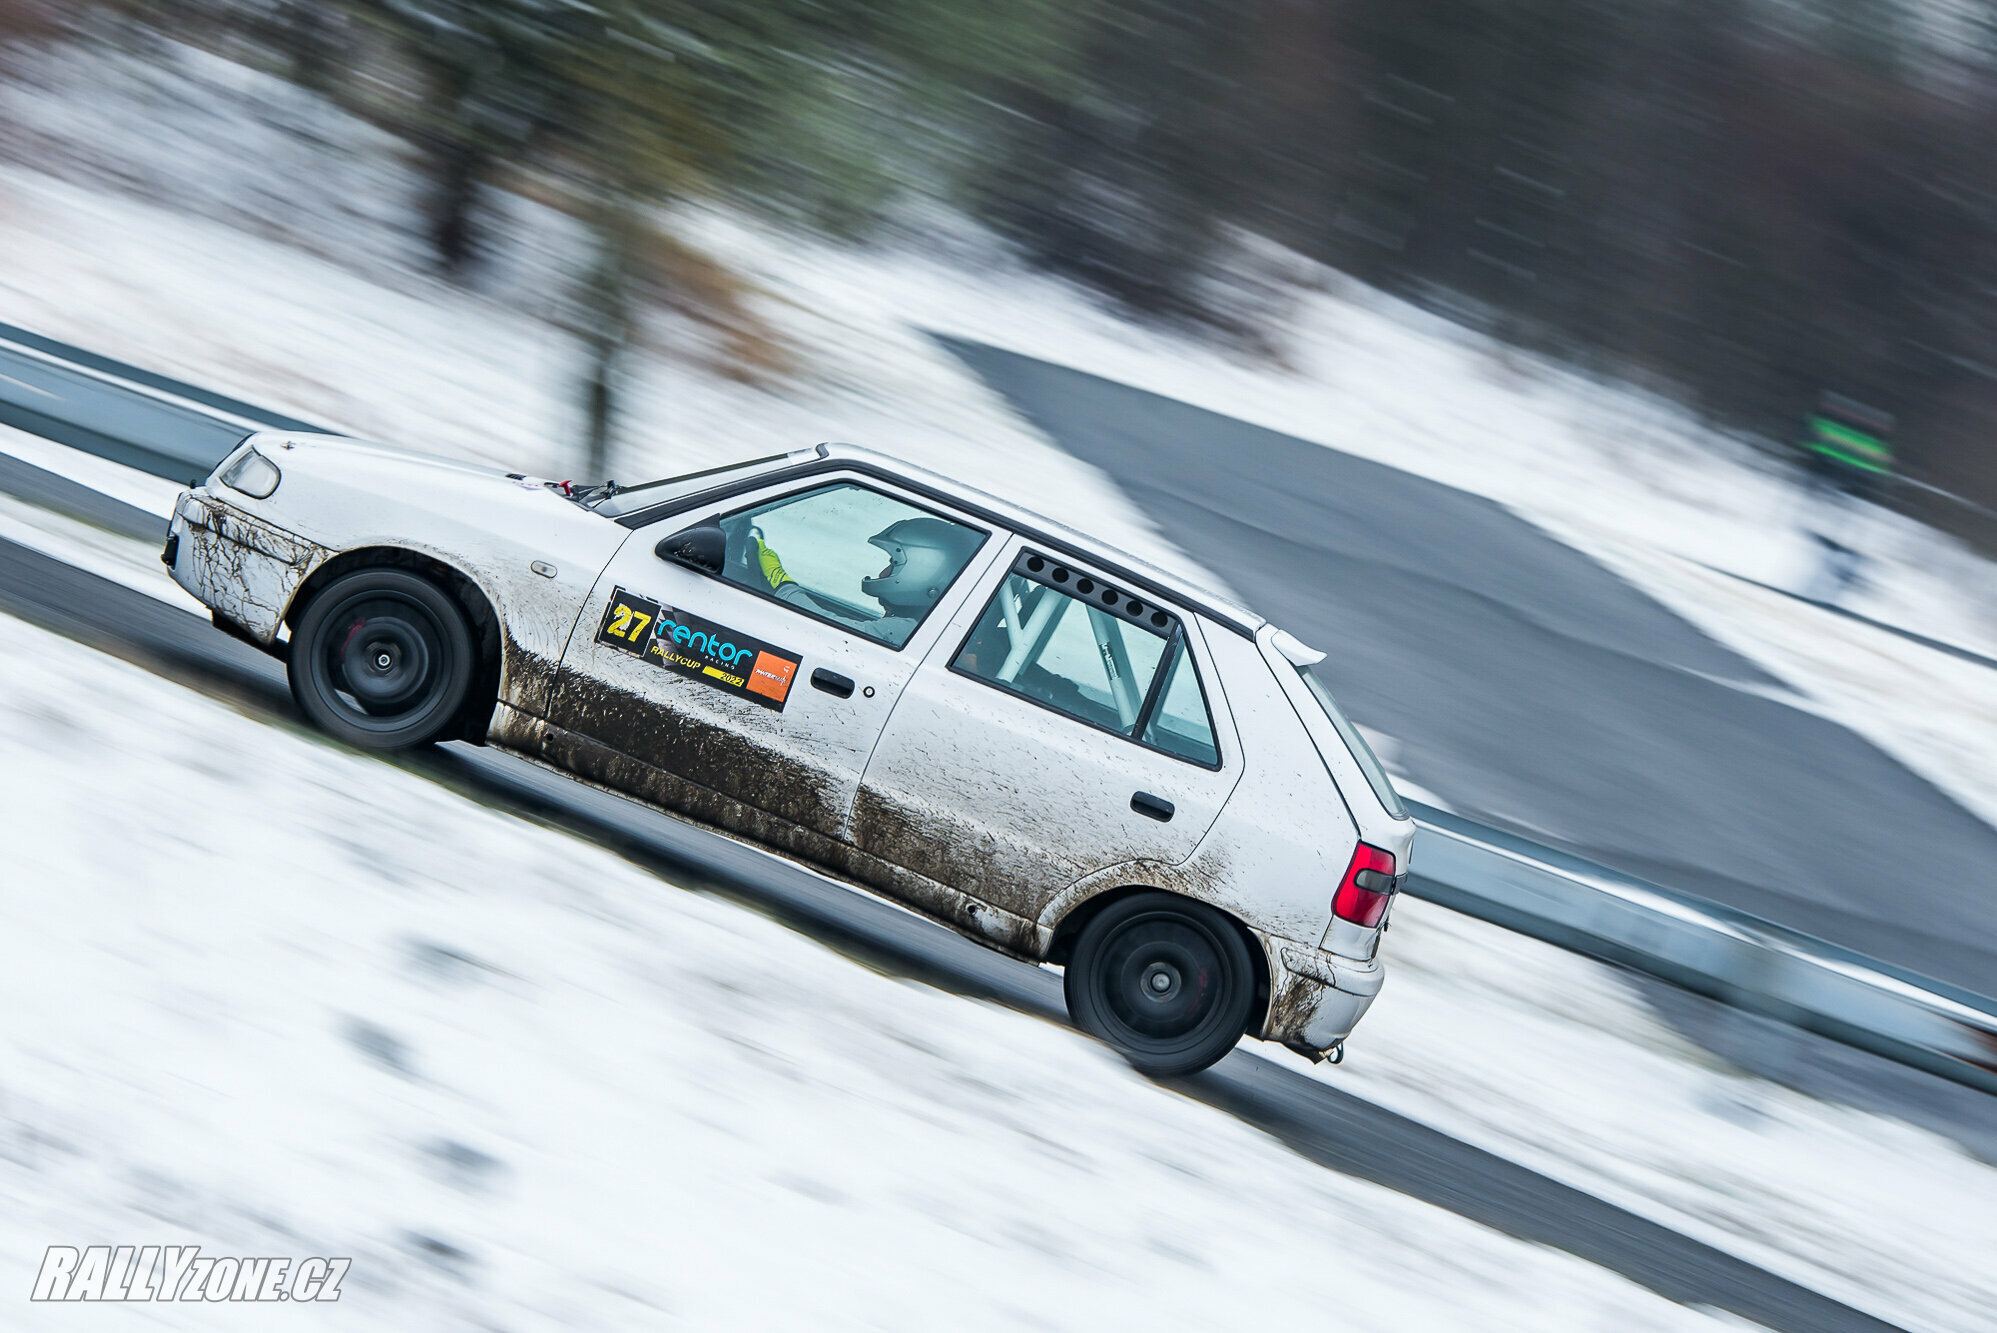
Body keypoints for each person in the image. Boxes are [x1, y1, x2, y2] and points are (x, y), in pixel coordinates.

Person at [752, 516, 982, 645]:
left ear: (925, 571)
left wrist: (781, 582)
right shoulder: (924, 626)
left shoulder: (907, 631)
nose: (884, 572)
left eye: (894, 563)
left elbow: (826, 630)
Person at [1797, 394, 1894, 606]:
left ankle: (1829, 579)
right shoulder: (1865, 439)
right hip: (1846, 488)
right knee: (1834, 531)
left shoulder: (1836, 429)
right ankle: (1829, 580)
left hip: (1840, 486)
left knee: (1833, 532)